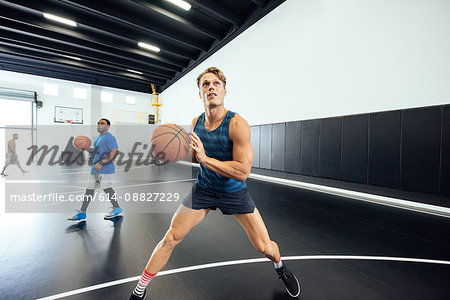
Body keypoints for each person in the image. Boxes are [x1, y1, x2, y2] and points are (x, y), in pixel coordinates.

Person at [129, 67, 300, 299]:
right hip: (204, 190)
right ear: (200, 94)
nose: (211, 87)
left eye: (216, 83)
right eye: (205, 84)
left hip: (234, 192)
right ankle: (139, 291)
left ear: (224, 91)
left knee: (265, 247)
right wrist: (169, 152)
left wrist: (205, 159)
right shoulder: (196, 122)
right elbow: (193, 155)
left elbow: (242, 171)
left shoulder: (237, 124)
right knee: (171, 237)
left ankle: (281, 267)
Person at [66, 118, 122, 222]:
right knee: (89, 190)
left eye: (102, 123)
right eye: (98, 123)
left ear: (108, 126)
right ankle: (82, 212)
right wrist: (87, 148)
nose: (99, 125)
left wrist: (101, 162)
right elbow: (95, 150)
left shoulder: (110, 137)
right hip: (95, 168)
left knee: (107, 189)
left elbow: (114, 151)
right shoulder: (97, 138)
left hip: (106, 168)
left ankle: (117, 208)